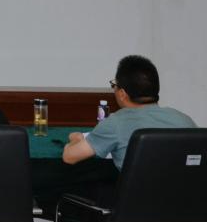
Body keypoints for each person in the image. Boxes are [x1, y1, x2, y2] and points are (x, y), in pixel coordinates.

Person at [62, 54, 195, 169]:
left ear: (122, 94)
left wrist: (76, 138)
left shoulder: (116, 123)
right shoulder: (185, 120)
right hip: (183, 191)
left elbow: (69, 157)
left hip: (139, 191)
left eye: (115, 85)